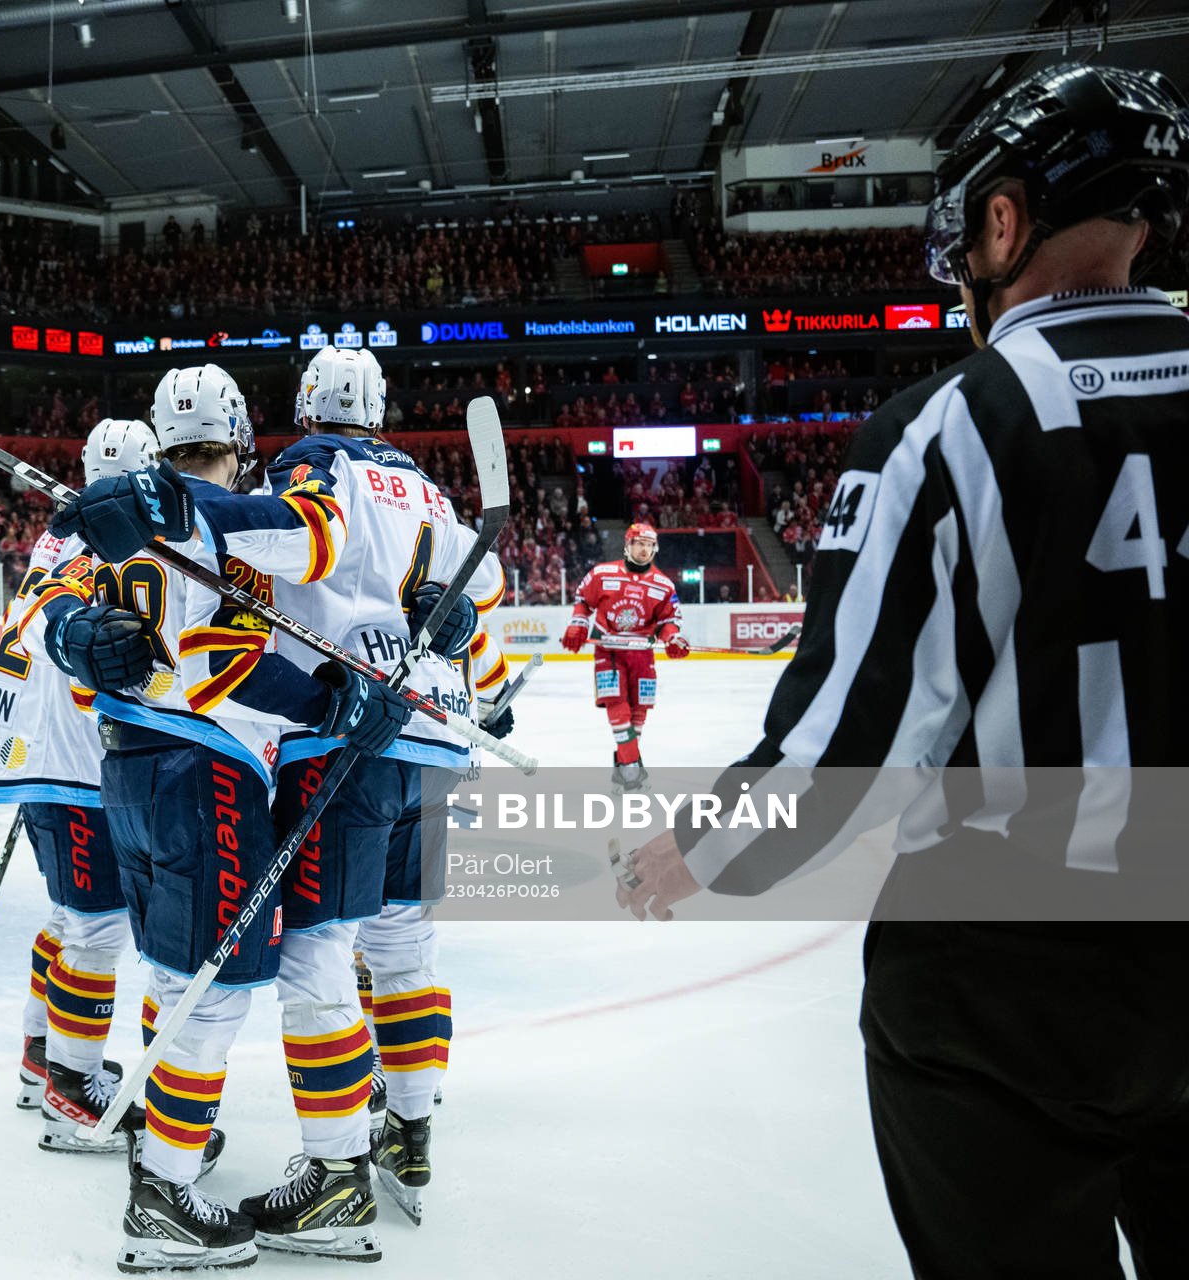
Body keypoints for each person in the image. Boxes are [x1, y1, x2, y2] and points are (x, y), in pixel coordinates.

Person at [614, 62, 1189, 1278]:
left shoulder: (955, 424)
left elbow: (851, 753)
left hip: (1008, 982)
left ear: (1004, 218)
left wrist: (707, 846)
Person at [42, 363, 411, 1273]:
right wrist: (332, 698)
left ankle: (168, 1160)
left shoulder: (130, 517)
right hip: (203, 771)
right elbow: (223, 659)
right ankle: (162, 1197)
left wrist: (70, 634)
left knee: (178, 979)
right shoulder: (232, 527)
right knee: (214, 988)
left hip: (124, 771)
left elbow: (49, 609)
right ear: (243, 442)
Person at [260, 347, 505, 1240]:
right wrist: (457, 605)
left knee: (318, 950)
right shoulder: (433, 493)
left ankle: (333, 1175)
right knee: (403, 946)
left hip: (347, 732)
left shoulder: (307, 464)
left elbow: (277, 544)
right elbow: (485, 585)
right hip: (435, 736)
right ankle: (409, 1133)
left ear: (306, 404)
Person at [0, 417, 227, 1169]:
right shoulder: (108, 544)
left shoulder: (60, 539)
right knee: (97, 929)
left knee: (72, 920)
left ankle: (41, 1053)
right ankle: (72, 1091)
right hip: (75, 764)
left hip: (42, 757)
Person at [560, 522, 688, 790]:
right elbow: (583, 601)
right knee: (617, 706)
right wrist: (577, 625)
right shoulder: (602, 574)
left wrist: (672, 638)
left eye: (649, 545)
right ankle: (631, 770)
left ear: (655, 549)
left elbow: (668, 621)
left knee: (639, 712)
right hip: (609, 650)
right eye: (639, 543)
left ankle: (622, 770)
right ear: (627, 545)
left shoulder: (663, 585)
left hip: (642, 654)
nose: (644, 550)